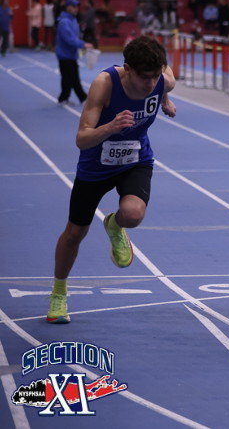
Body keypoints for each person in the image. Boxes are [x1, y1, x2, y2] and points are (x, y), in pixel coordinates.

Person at [46, 36, 177, 323]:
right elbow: (82, 139)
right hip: (96, 166)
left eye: (155, 77)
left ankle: (114, 225)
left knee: (133, 214)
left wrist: (164, 99)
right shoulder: (104, 84)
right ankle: (58, 294)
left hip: (135, 160)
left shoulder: (162, 80)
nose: (150, 84)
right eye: (144, 77)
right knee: (75, 233)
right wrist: (110, 126)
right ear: (127, 69)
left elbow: (163, 81)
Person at [55, 0, 93, 105]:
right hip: (65, 54)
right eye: (73, 6)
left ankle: (64, 97)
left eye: (76, 6)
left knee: (68, 77)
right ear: (67, 7)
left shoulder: (73, 20)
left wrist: (80, 46)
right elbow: (69, 38)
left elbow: (75, 37)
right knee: (72, 77)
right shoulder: (64, 22)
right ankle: (82, 97)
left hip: (71, 54)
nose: (76, 8)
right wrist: (83, 44)